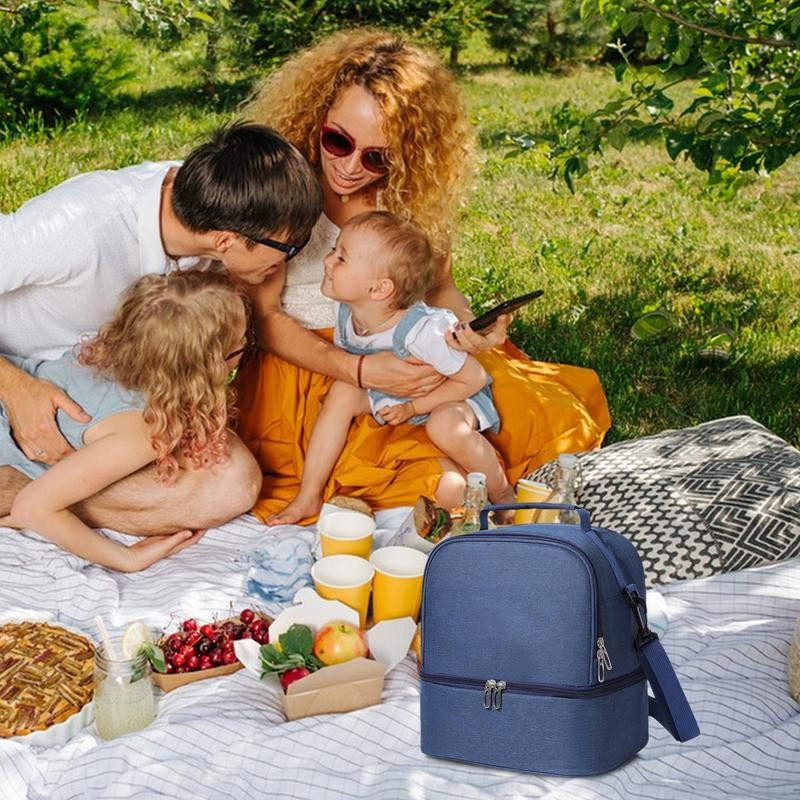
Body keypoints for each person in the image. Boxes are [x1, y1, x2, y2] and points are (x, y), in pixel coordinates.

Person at [237, 29, 611, 524]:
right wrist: (361, 371)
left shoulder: (409, 200)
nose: (350, 167)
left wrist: (470, 332)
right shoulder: (280, 189)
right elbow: (263, 317)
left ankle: (484, 486)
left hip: (413, 353)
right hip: (312, 370)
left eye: (377, 157)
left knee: (530, 411)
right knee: (421, 478)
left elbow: (440, 290)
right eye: (338, 140)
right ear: (317, 118)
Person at [0, 122, 323, 535]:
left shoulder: (217, 203)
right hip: (22, 382)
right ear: (226, 241)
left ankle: (37, 498)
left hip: (100, 395)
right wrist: (13, 386)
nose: (292, 256)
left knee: (234, 481)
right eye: (288, 247)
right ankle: (33, 496)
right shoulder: (80, 230)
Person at [269, 211, 516, 525]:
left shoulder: (422, 332)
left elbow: (473, 378)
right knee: (343, 391)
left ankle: (503, 494)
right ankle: (308, 495)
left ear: (379, 290)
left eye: (341, 258)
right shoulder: (348, 312)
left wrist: (414, 406)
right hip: (393, 392)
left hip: (451, 396)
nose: (328, 261)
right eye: (334, 251)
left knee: (442, 426)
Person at [0, 270, 249, 571]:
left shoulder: (107, 357)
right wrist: (128, 559)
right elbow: (32, 507)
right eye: (240, 345)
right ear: (208, 367)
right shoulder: (143, 431)